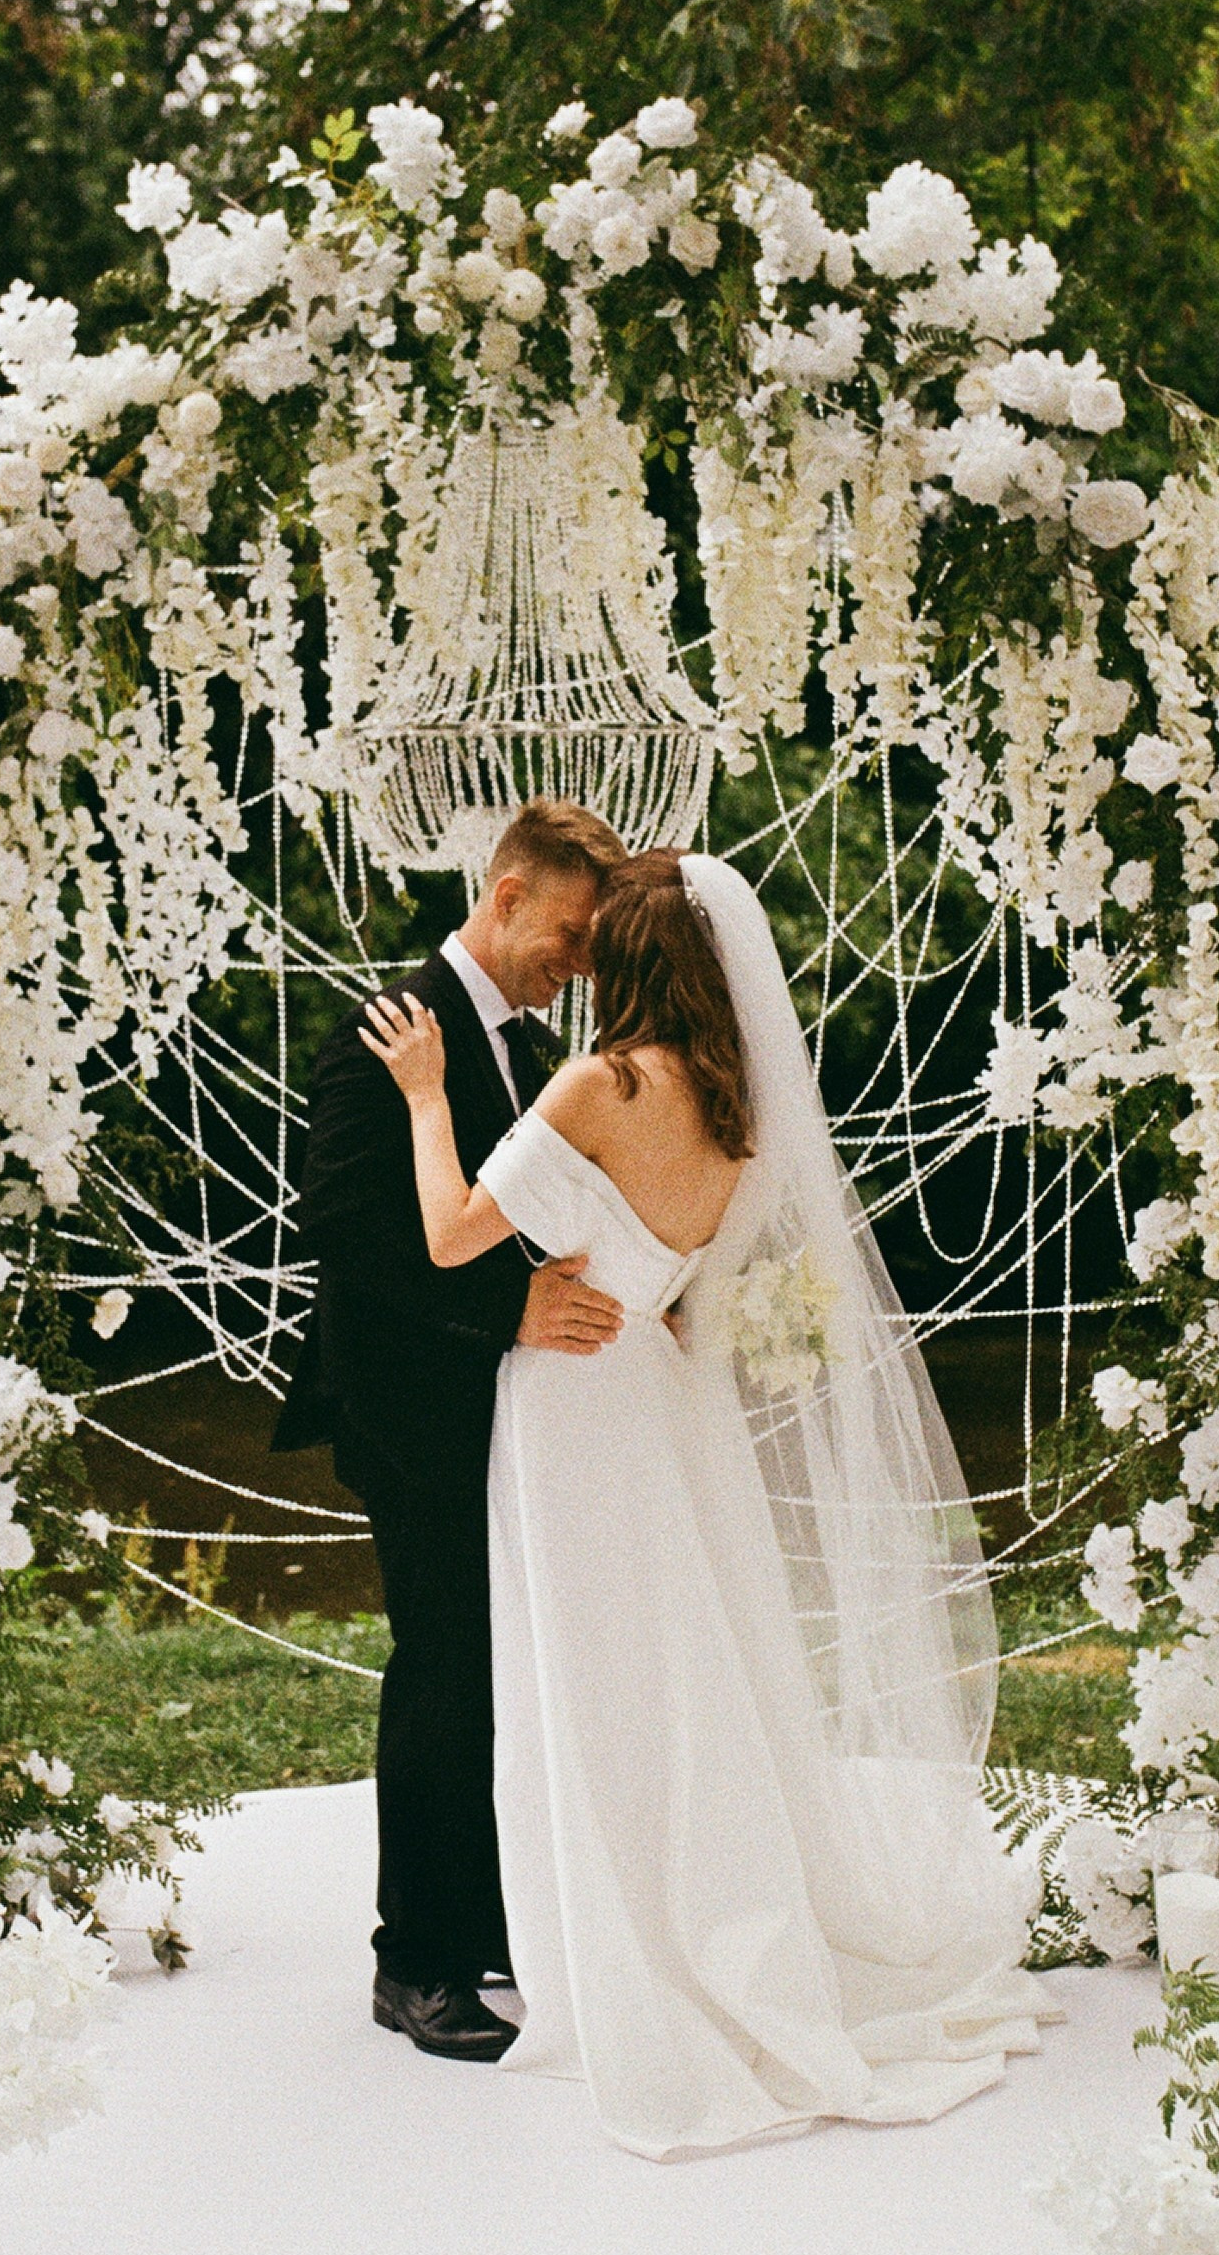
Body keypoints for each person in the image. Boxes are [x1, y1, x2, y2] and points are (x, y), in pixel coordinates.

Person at [359, 847, 1045, 2160]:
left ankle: (623, 1951)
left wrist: (426, 1094)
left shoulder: (601, 1084)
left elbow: (451, 1232)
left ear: (631, 962)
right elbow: (683, 1295)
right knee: (678, 1673)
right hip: (655, 1403)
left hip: (564, 1409)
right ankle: (709, 1918)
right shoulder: (737, 1118)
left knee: (592, 1679)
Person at [273, 799, 629, 2061]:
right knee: (438, 1668)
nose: (576, 964)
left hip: (486, 1405)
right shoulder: (384, 1031)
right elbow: (351, 1234)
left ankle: (485, 1925)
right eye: (570, 934)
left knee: (491, 1667)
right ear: (508, 891)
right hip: (408, 1405)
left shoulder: (515, 1049)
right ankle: (411, 1960)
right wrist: (509, 1307)